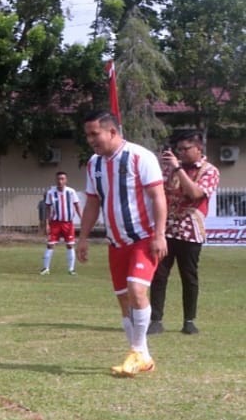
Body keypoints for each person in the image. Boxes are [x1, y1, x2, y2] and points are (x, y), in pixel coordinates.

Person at [77, 109, 168, 377]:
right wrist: (82, 238)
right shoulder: (93, 164)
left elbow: (158, 197)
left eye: (95, 134)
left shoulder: (140, 157)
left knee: (136, 290)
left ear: (112, 132)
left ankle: (136, 352)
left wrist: (160, 234)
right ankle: (143, 357)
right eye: (88, 135)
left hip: (144, 238)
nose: (91, 140)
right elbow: (92, 203)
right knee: (124, 299)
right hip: (115, 242)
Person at [149, 130, 219, 335]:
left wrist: (177, 169)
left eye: (185, 149)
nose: (181, 153)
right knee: (159, 275)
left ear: (199, 148)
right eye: (178, 149)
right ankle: (156, 319)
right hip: (166, 229)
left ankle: (189, 320)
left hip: (190, 230)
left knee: (189, 277)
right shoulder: (168, 169)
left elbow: (196, 193)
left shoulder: (210, 170)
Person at [40, 171, 81, 275]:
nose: (60, 181)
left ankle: (71, 269)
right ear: (56, 180)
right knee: (50, 245)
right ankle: (45, 268)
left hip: (68, 223)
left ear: (66, 180)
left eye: (62, 179)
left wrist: (82, 218)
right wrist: (47, 224)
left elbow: (77, 206)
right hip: (55, 223)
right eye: (58, 179)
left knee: (70, 245)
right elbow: (48, 208)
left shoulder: (71, 192)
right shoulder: (51, 193)